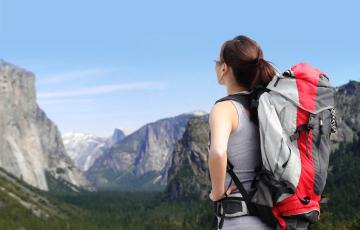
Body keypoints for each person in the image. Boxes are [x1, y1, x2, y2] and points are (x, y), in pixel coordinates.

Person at [208, 35, 277, 230]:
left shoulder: (224, 108)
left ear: (224, 68)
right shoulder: (268, 106)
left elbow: (218, 152)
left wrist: (217, 192)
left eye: (217, 61)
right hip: (270, 218)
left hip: (239, 221)